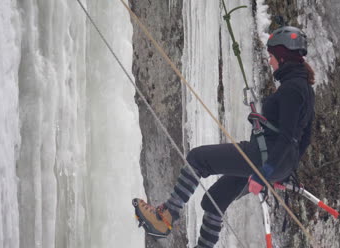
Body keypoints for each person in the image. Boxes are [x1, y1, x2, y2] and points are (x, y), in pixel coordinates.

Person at [132, 25, 316, 247]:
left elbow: (287, 136)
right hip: (276, 164)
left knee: (198, 158)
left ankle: (167, 216)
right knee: (214, 201)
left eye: (272, 56)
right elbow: (304, 138)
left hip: (262, 160)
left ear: (283, 56)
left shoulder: (292, 89)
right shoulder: (304, 88)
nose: (270, 61)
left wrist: (264, 172)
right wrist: (282, 170)